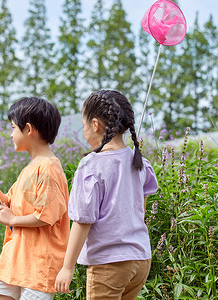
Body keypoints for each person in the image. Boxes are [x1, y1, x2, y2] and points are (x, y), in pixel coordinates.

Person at [55, 90, 158, 300]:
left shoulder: (91, 165)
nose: (84, 132)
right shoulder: (139, 162)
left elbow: (82, 221)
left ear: (95, 125)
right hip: (140, 261)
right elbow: (141, 211)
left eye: (83, 126)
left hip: (109, 264)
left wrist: (67, 266)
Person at [0, 97, 70, 300]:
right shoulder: (30, 168)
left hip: (39, 263)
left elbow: (46, 216)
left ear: (28, 129)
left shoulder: (48, 168)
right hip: (14, 258)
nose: (11, 134)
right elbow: (6, 206)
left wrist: (13, 220)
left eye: (13, 128)